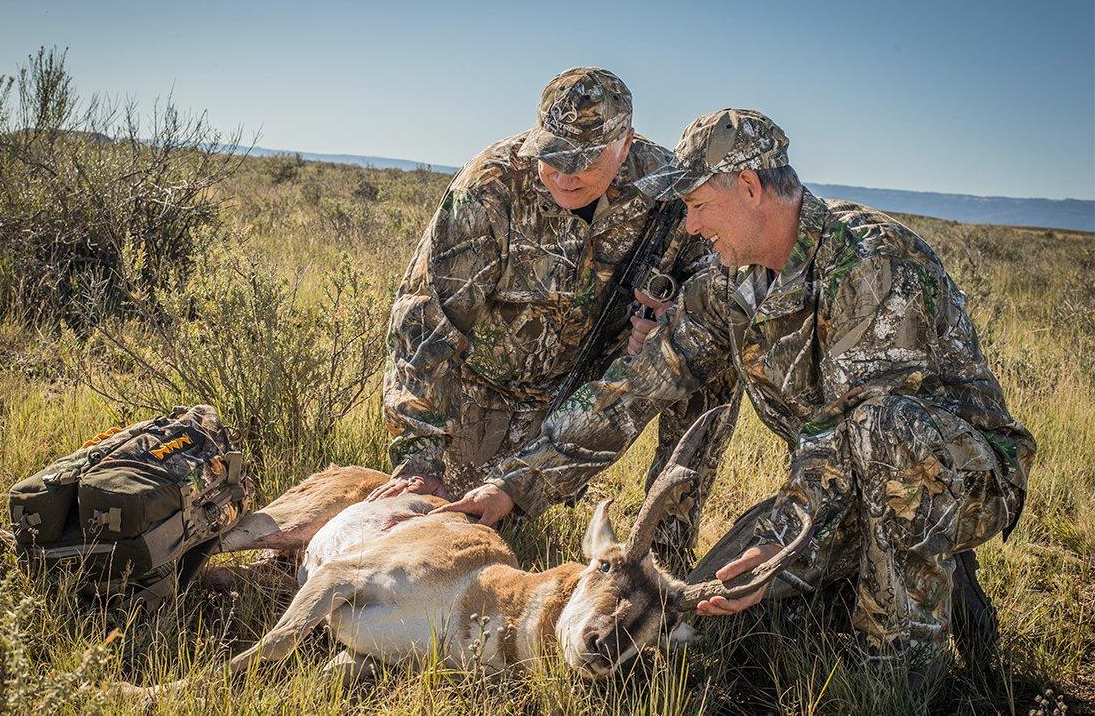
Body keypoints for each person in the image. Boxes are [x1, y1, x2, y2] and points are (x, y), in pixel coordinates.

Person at [437, 107, 1034, 671]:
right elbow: (634, 387)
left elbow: (852, 423)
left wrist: (786, 537)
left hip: (958, 473)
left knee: (882, 438)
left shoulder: (870, 262)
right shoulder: (729, 284)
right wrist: (514, 483)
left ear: (749, 187)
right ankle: (880, 575)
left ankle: (897, 662)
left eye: (697, 205)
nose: (691, 225)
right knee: (714, 600)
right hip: (839, 482)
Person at [373, 68, 737, 562]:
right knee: (458, 531)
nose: (563, 175)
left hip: (602, 389)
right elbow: (424, 324)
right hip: (491, 393)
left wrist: (668, 325)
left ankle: (663, 549)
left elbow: (714, 293)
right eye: (552, 156)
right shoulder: (490, 187)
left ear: (624, 145)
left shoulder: (670, 194)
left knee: (714, 359)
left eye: (582, 161)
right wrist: (419, 461)